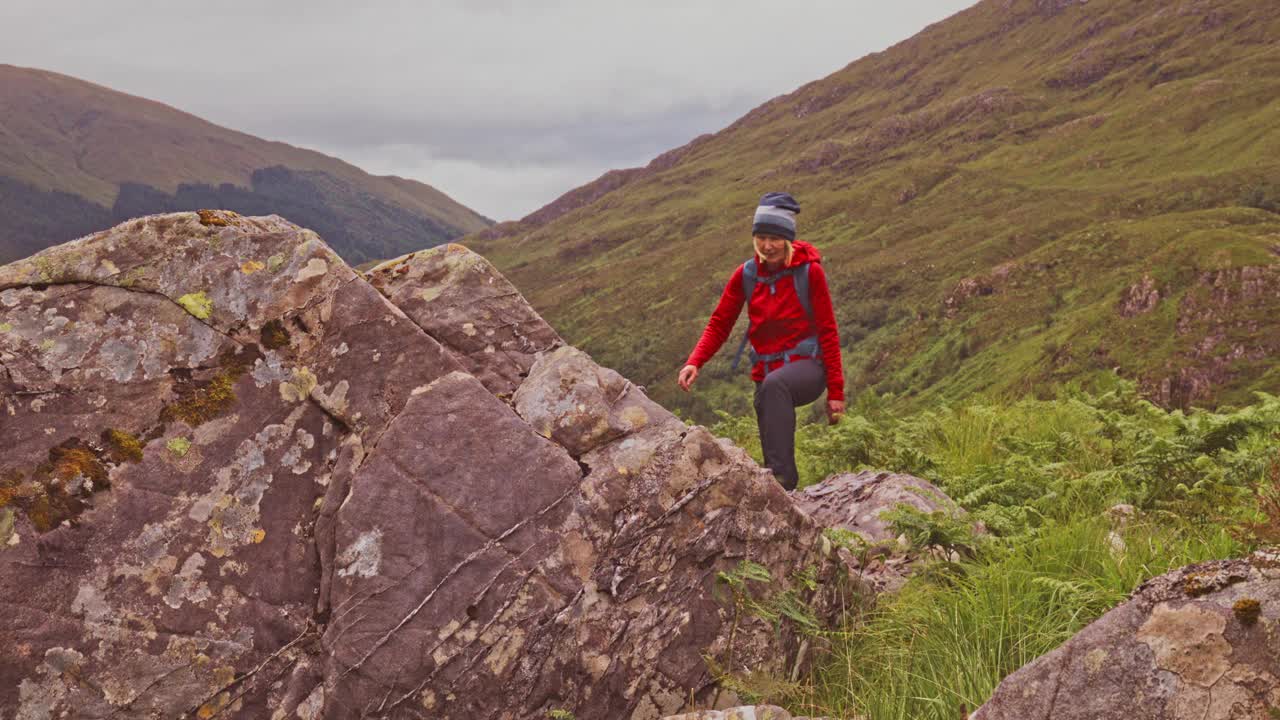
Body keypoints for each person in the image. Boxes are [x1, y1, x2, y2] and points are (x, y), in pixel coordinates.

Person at [678, 192, 845, 491]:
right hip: (766, 374)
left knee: (775, 387)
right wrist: (695, 361)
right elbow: (720, 322)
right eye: (761, 237)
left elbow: (828, 331)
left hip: (808, 368)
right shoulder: (747, 274)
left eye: (775, 238)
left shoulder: (810, 272)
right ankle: (781, 493)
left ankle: (784, 483)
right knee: (771, 427)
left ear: (788, 239)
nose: (768, 246)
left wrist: (836, 392)